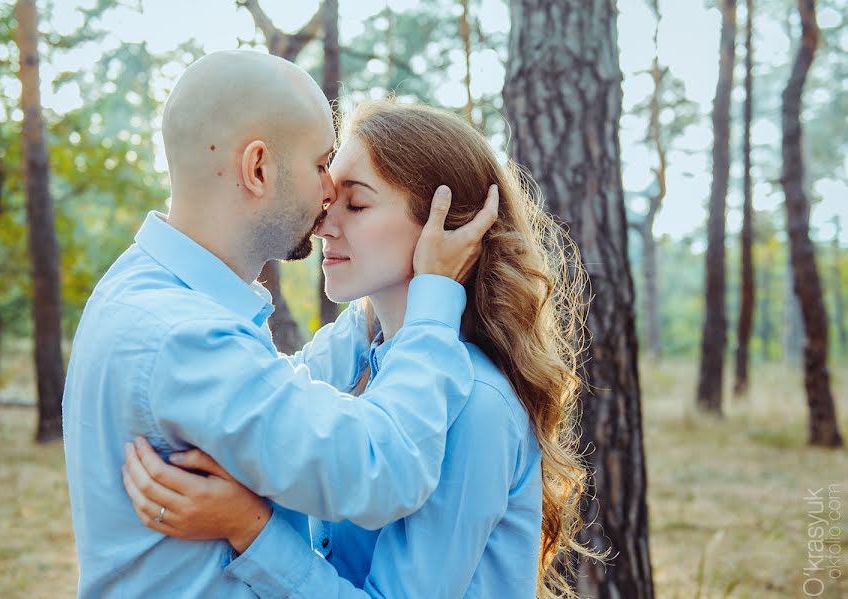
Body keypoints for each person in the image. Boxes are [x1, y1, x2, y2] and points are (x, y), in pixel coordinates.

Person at [122, 100, 608, 598]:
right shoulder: (359, 353)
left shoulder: (478, 403)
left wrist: (249, 530)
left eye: (356, 204)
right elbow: (261, 413)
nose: (322, 224)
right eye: (328, 199)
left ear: (447, 229)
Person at [62, 50, 499, 598]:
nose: (327, 203)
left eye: (356, 204)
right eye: (321, 166)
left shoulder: (143, 292)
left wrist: (389, 301)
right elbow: (388, 468)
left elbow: (282, 389)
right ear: (258, 168)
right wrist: (432, 297)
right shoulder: (189, 338)